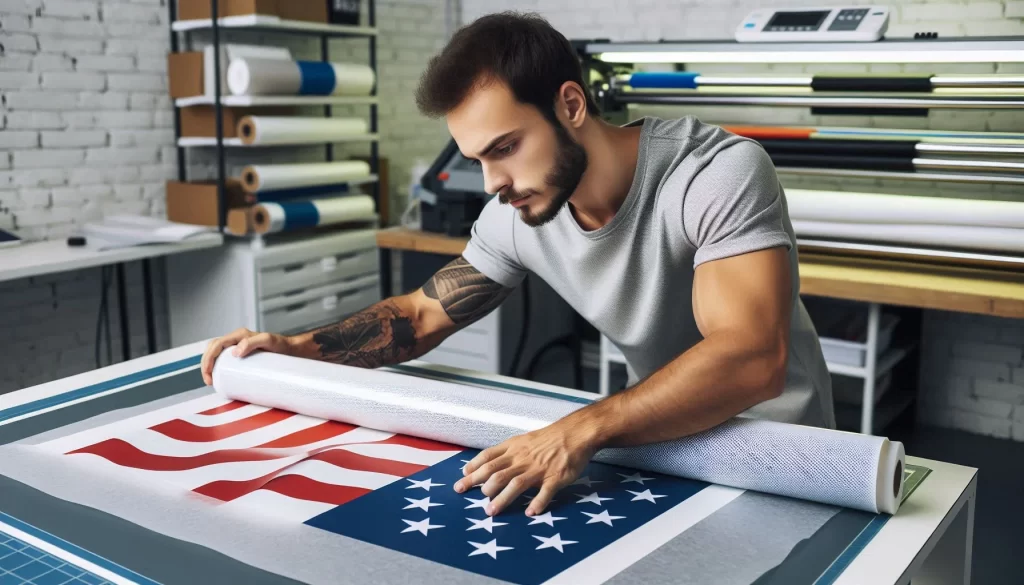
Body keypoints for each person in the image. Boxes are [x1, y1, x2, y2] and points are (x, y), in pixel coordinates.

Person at [200, 11, 833, 519]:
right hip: (661, 447)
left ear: (570, 105)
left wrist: (579, 428)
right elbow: (420, 318)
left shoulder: (714, 173)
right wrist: (294, 347)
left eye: (506, 147)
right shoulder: (516, 212)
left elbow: (752, 360)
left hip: (788, 457)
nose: (493, 182)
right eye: (477, 157)